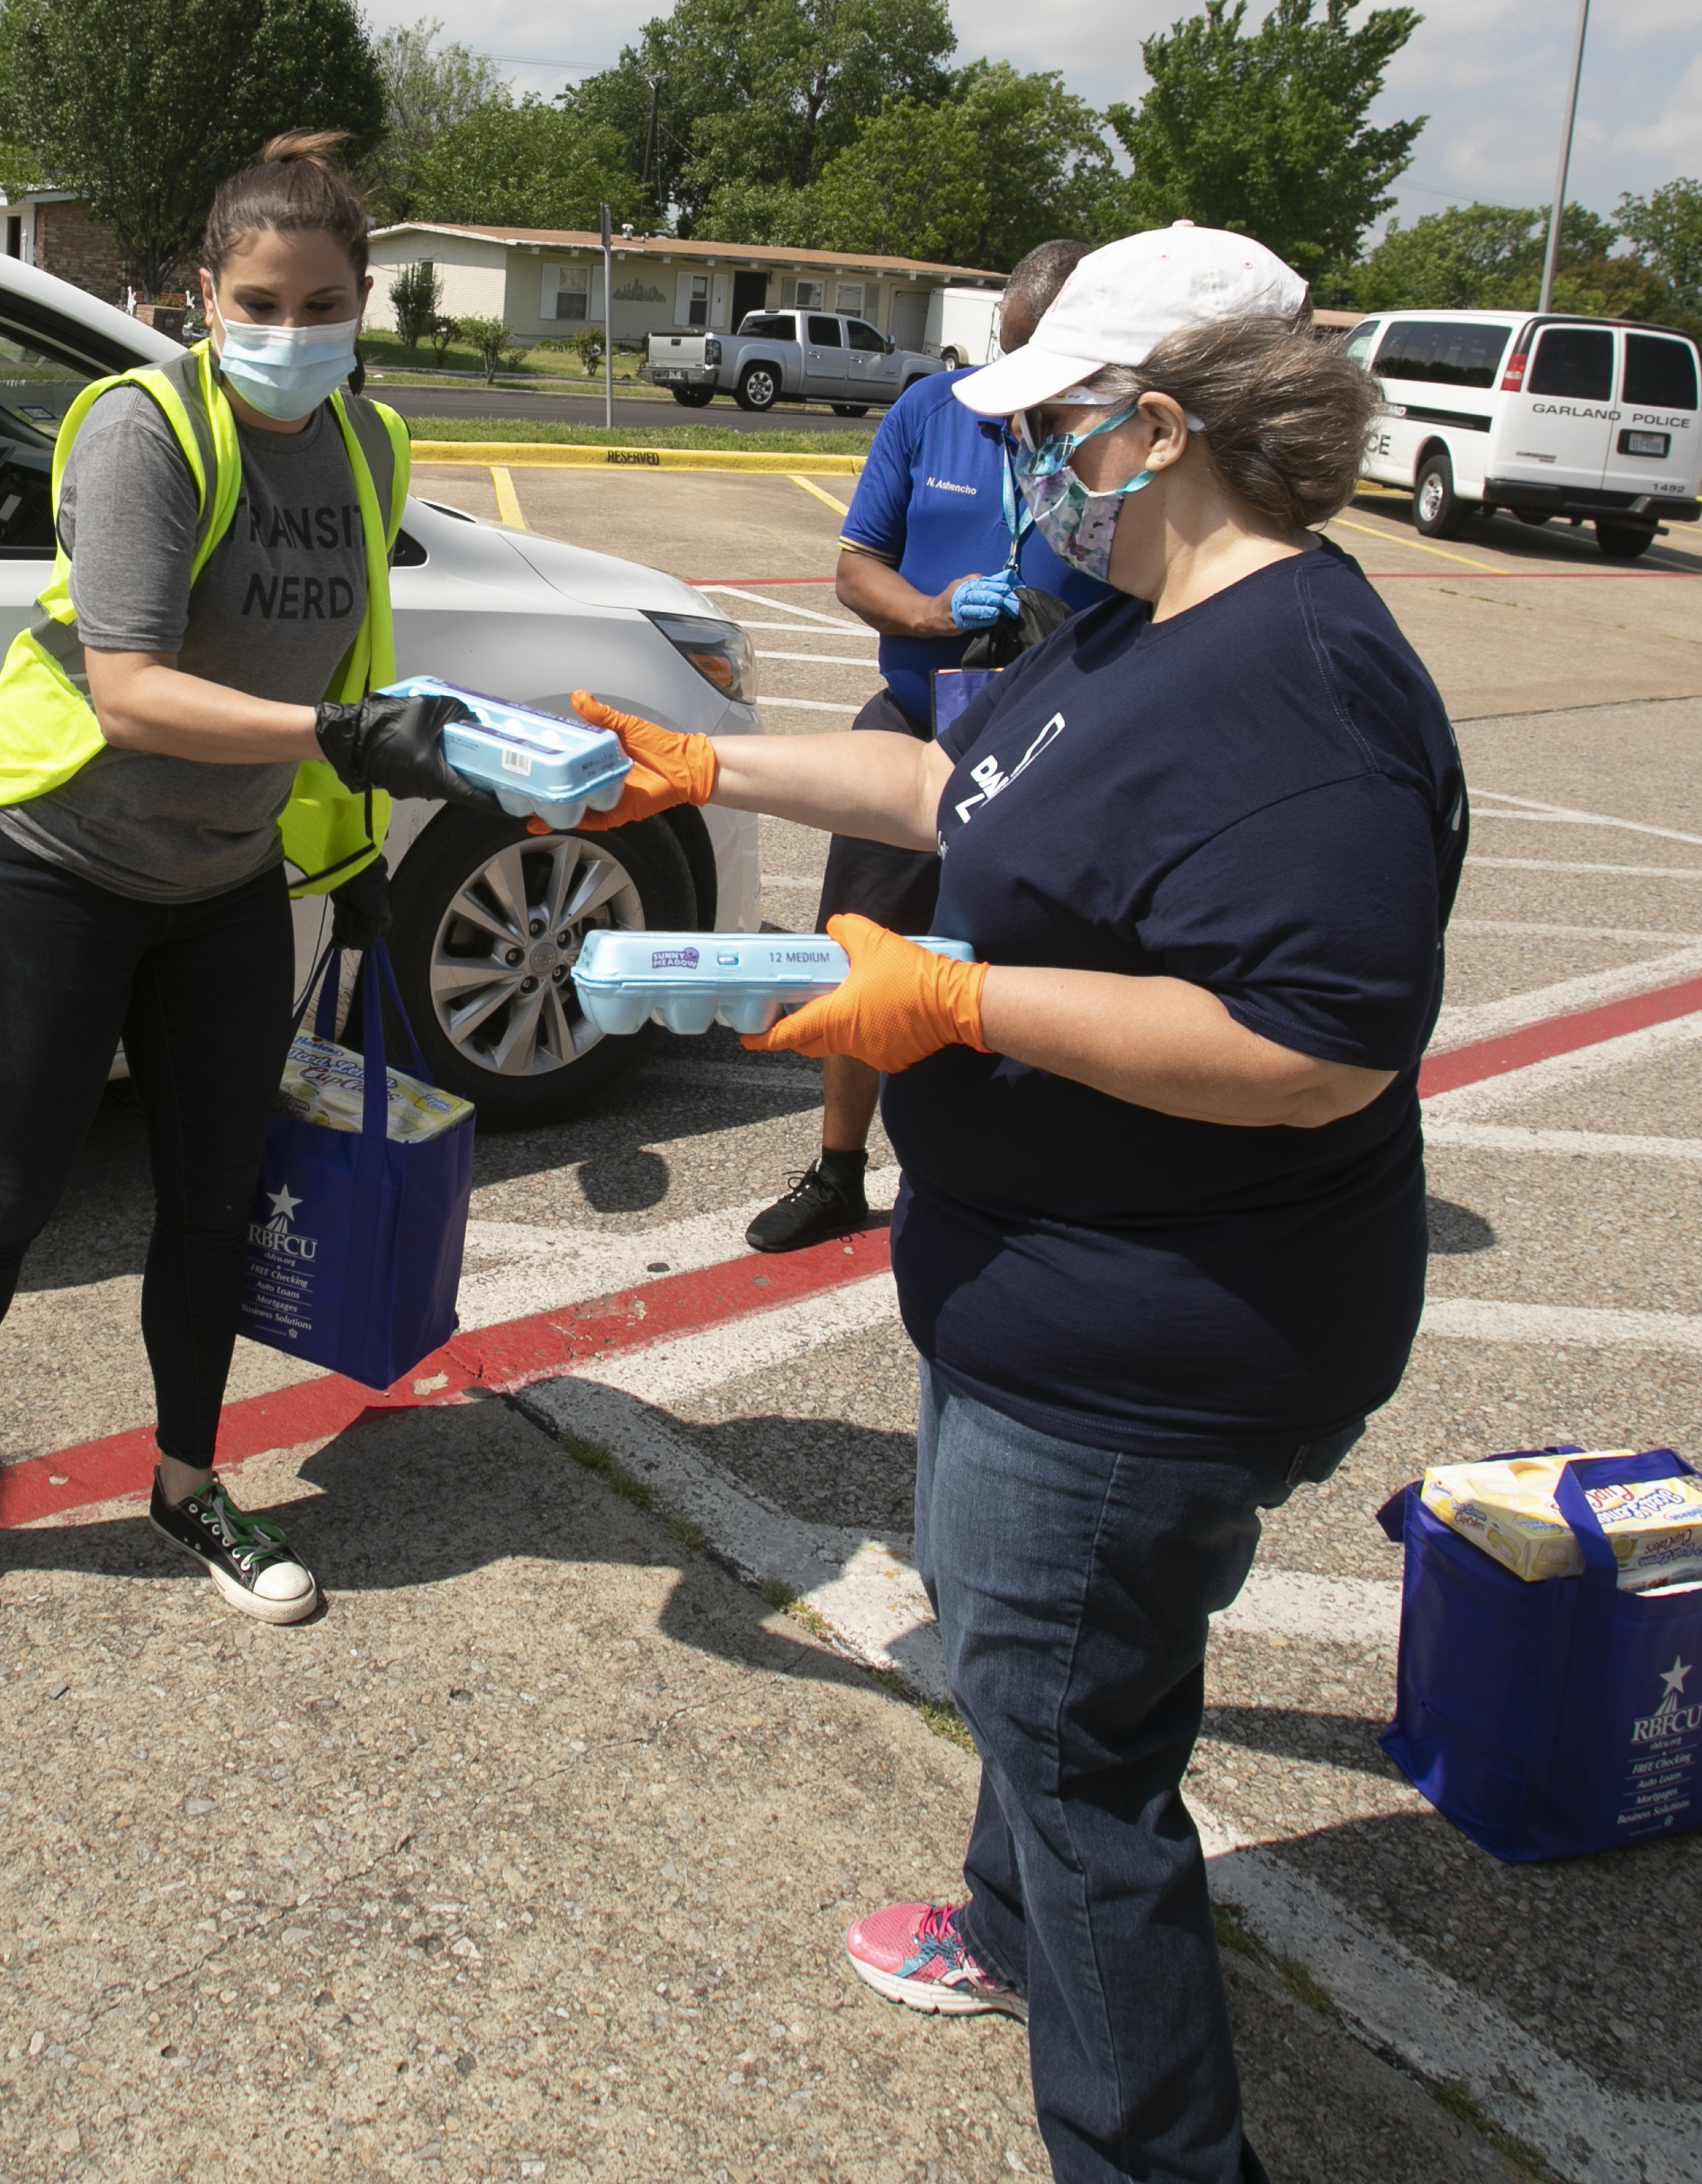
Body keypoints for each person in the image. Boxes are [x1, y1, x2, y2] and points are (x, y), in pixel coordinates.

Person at [546, 223, 1463, 2184]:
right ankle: (1003, 1930)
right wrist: (707, 764)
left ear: (1154, 429)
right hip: (1038, 1286)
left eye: (1049, 422)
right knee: (1060, 1673)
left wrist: (958, 995)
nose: (1028, 461)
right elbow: (958, 788)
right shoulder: (1139, 615)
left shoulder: (1304, 686)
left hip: (1152, 1332)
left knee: (1072, 1755)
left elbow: (1321, 1045)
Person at [0, 135, 485, 1662]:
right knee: (5, 1196)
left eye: (324, 301)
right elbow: (132, 693)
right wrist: (338, 741)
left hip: (221, 884)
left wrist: (348, 862)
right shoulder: (143, 432)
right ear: (203, 295)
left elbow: (343, 662)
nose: (291, 330)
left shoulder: (364, 443)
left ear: (362, 303)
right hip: (58, 864)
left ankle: (191, 1481)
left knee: (214, 1202)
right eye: (259, 300)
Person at [748, 237, 1104, 1254]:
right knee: (862, 949)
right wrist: (936, 611)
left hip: (1055, 740)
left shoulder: (1108, 438)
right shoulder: (930, 413)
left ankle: (1018, 1179)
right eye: (1013, 348)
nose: (1026, 382)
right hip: (918, 721)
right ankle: (839, 1168)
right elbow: (858, 569)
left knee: (1024, 963)